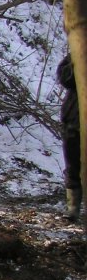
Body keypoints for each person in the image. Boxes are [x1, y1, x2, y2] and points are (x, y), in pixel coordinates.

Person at [58, 53, 81, 220]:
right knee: (73, 165)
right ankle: (73, 208)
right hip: (74, 120)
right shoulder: (78, 51)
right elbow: (64, 78)